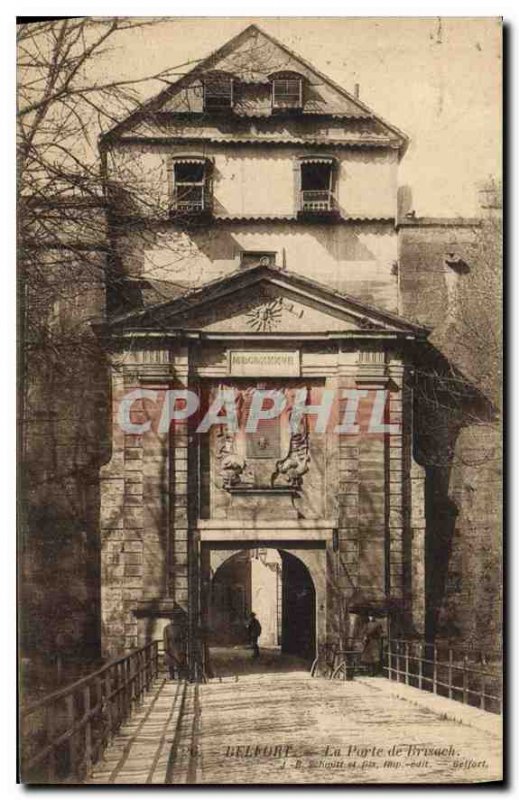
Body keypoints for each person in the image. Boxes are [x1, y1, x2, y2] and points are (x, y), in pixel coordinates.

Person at [163, 607, 188, 680]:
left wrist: (183, 648)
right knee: (170, 663)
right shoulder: (167, 628)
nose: (173, 621)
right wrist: (166, 647)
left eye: (174, 619)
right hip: (170, 646)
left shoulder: (180, 627)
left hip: (178, 646)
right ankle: (172, 676)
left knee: (179, 662)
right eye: (172, 619)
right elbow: (165, 638)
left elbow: (183, 638)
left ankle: (180, 676)